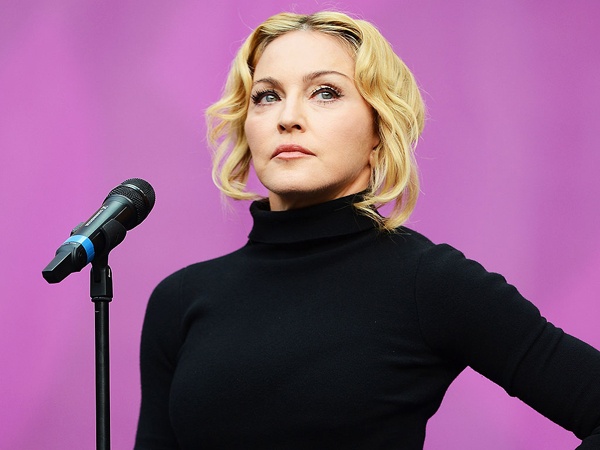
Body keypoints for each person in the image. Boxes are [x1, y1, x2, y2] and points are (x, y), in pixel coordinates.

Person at [134, 11, 600, 449]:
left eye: (325, 92)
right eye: (267, 96)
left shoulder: (427, 281)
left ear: (379, 129)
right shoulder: (181, 298)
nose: (287, 117)